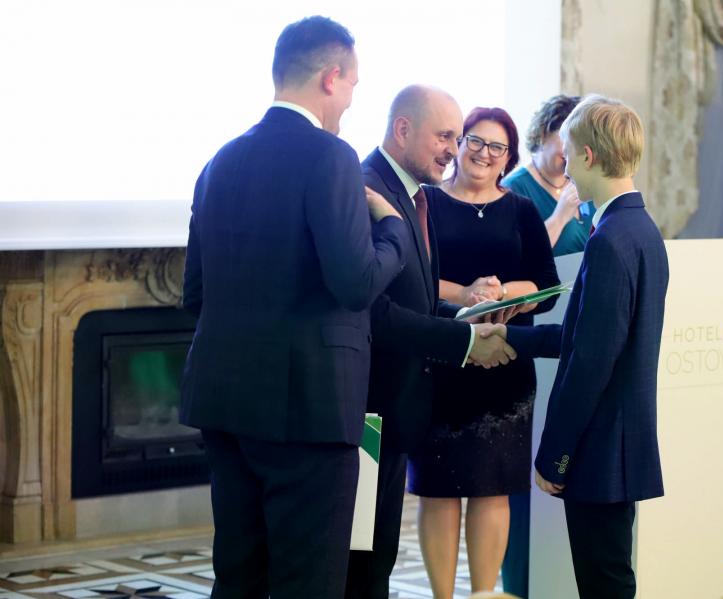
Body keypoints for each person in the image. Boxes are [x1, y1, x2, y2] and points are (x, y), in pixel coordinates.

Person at [180, 17, 408, 599]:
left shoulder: (220, 161)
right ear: (331, 77)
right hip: (309, 409)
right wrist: (393, 230)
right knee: (309, 583)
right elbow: (356, 283)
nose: (351, 100)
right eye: (353, 85)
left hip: (225, 402)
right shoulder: (330, 156)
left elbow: (195, 293)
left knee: (239, 578)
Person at [344, 85, 516, 599]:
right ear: (403, 129)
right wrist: (463, 341)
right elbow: (375, 311)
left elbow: (417, 301)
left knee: (377, 557)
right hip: (365, 410)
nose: (453, 150)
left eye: (457, 138)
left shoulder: (416, 195)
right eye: (445, 137)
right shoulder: (365, 190)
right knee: (359, 563)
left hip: (396, 410)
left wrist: (468, 320)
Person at [498, 96, 668, 598]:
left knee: (604, 585)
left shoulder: (610, 239)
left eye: (569, 153)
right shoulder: (641, 229)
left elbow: (591, 363)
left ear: (589, 156)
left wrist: (554, 456)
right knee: (610, 579)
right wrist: (508, 335)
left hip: (599, 449)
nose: (565, 164)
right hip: (618, 442)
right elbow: (583, 335)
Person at [408, 107, 560, 599]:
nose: (483, 153)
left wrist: (502, 293)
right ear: (459, 144)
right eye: (474, 140)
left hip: (504, 366)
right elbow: (413, 277)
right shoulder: (426, 201)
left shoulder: (522, 210)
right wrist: (467, 293)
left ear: (508, 157)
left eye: (497, 146)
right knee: (438, 489)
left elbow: (546, 285)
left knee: (493, 487)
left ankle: (483, 594)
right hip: (441, 361)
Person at [503, 95, 594, 257]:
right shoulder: (513, 188)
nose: (576, 150)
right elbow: (514, 258)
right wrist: (559, 217)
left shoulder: (584, 180)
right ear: (543, 135)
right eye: (569, 139)